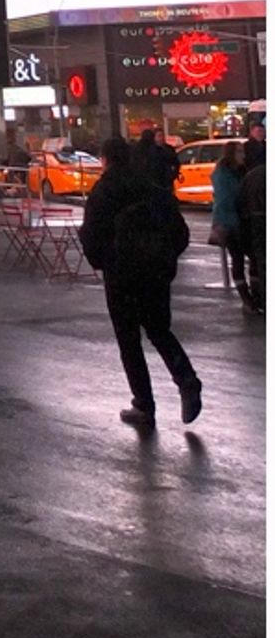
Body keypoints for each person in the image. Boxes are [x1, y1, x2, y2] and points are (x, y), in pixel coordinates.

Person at [79, 135, 200, 428]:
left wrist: (106, 262)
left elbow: (91, 236)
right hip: (155, 274)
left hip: (121, 276)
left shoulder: (104, 191)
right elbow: (179, 232)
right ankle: (187, 379)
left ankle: (143, 405)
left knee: (129, 341)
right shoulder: (151, 187)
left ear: (105, 160)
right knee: (159, 330)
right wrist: (165, 258)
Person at [209, 143, 252, 307]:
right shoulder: (224, 174)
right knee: (239, 257)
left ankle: (252, 294)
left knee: (247, 256)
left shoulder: (240, 171)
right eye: (240, 151)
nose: (243, 155)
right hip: (230, 221)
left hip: (240, 219)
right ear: (232, 154)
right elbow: (226, 199)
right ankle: (246, 296)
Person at [236, 163, 264, 317]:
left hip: (254, 222)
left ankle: (260, 299)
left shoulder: (251, 175)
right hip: (259, 221)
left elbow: (240, 202)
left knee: (260, 262)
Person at [136, 125, 180, 190]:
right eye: (159, 136)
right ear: (154, 138)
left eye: (163, 136)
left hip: (167, 180)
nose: (162, 138)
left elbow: (176, 163)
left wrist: (174, 174)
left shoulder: (169, 149)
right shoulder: (150, 150)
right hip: (155, 181)